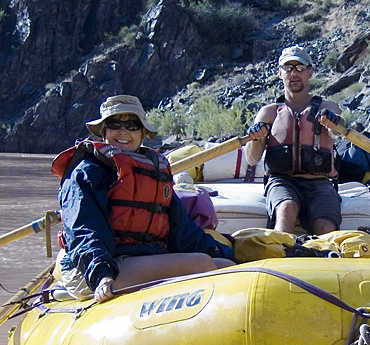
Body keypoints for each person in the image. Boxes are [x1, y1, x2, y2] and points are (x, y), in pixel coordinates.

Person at [51, 95, 235, 303]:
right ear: (104, 131)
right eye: (114, 124)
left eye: (132, 125)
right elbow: (85, 229)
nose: (123, 131)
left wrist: (230, 256)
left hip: (140, 258)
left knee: (225, 267)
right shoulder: (87, 172)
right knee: (201, 264)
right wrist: (101, 274)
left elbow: (185, 233)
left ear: (143, 133)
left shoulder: (153, 172)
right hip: (95, 268)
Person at [244, 45, 344, 234]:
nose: (294, 73)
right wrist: (257, 138)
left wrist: (333, 120)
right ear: (280, 73)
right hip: (282, 181)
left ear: (310, 72)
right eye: (288, 68)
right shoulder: (269, 113)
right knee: (286, 208)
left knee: (326, 226)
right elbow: (251, 159)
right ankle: (282, 254)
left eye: (300, 67)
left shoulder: (327, 107)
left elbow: (341, 127)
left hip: (320, 183)